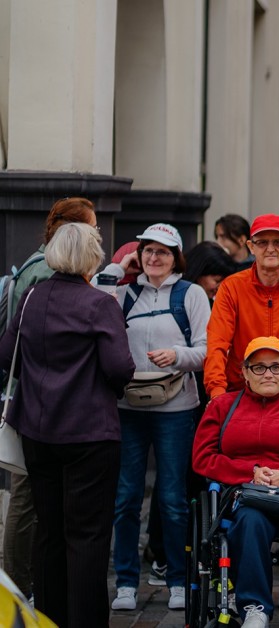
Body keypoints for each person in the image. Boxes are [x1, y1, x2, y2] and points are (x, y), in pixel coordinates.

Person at [0, 222, 136, 627]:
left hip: (37, 429)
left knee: (49, 530)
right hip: (90, 432)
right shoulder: (99, 305)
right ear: (91, 258)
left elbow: (7, 354)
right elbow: (120, 368)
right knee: (88, 536)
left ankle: (49, 618)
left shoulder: (31, 296)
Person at [96, 223, 211, 612]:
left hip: (175, 408)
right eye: (147, 251)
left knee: (172, 498)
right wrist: (119, 266)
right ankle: (126, 582)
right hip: (127, 408)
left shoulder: (190, 294)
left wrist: (176, 355)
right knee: (126, 497)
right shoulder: (125, 292)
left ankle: (177, 579)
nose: (154, 258)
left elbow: (206, 351)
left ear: (176, 256)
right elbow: (94, 305)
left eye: (163, 251)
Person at [191, 336, 279, 628]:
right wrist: (250, 471)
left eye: (276, 367)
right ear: (243, 372)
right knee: (251, 519)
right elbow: (202, 458)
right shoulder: (223, 407)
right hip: (243, 493)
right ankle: (255, 607)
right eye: (258, 367)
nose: (268, 373)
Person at [1, 197, 98, 598]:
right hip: (42, 404)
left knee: (32, 497)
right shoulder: (46, 273)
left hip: (34, 398)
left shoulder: (32, 264)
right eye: (93, 229)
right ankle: (19, 588)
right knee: (28, 499)